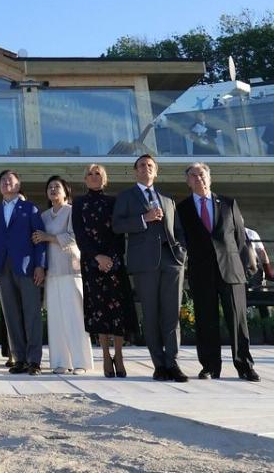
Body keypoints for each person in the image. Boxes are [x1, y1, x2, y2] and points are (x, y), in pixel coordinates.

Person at [176, 162, 260, 382]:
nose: (198, 178)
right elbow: (180, 240)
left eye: (201, 174)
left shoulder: (229, 203)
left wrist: (246, 270)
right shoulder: (182, 208)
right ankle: (210, 367)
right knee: (206, 320)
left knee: (238, 321)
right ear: (188, 181)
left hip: (232, 271)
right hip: (201, 271)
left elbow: (241, 240)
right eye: (193, 176)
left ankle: (245, 366)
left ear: (209, 178)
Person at [112, 154, 188, 383]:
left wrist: (182, 254)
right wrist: (143, 219)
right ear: (136, 171)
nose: (146, 168)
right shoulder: (126, 197)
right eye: (142, 165)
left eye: (150, 166)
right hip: (145, 263)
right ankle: (159, 365)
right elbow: (117, 225)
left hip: (171, 261)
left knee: (171, 314)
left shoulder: (167, 198)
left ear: (156, 171)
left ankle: (173, 362)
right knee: (152, 314)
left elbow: (178, 229)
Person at [72, 164, 137, 378]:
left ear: (104, 179)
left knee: (117, 310)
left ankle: (119, 355)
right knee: (99, 309)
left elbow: (118, 232)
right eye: (89, 174)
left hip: (114, 262)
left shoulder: (114, 201)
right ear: (85, 179)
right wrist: (97, 257)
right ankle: (106, 355)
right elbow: (80, 235)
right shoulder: (79, 203)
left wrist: (110, 258)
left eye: (97, 173)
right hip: (92, 263)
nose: (93, 177)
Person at [0, 170, 47, 376]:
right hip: (2, 268)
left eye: (9, 180)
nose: (5, 183)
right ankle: (19, 358)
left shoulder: (30, 208)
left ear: (18, 185)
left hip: (27, 267)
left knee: (31, 314)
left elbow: (39, 239)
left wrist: (40, 265)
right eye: (2, 180)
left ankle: (34, 360)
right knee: (11, 315)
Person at [33, 176, 92, 375]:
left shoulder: (72, 210)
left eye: (57, 187)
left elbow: (73, 237)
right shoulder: (43, 216)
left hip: (70, 268)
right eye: (50, 187)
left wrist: (48, 237)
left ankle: (80, 362)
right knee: (56, 318)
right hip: (52, 272)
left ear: (66, 191)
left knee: (75, 317)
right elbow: (38, 242)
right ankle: (60, 361)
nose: (53, 190)